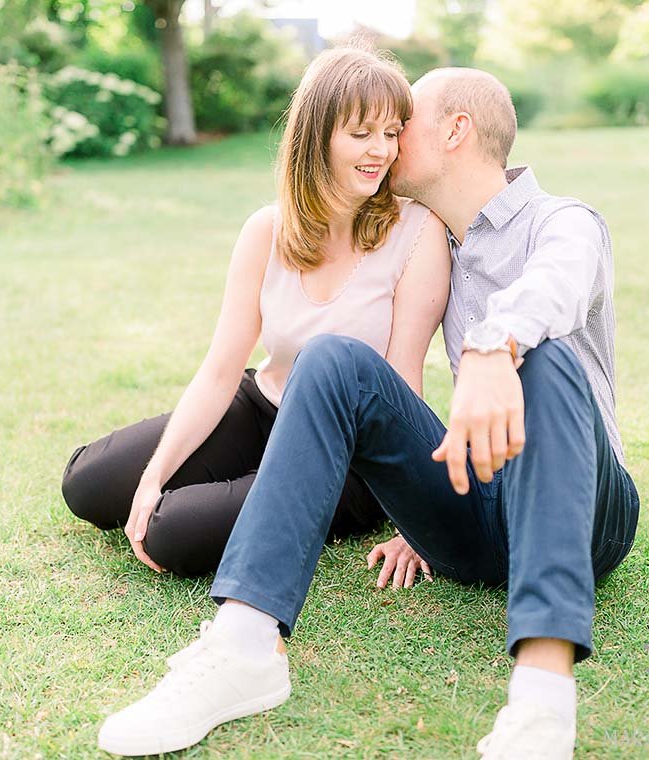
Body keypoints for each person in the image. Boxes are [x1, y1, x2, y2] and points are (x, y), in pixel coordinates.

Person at [95, 66, 640, 760]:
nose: (388, 141)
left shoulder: (564, 222)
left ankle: (540, 704)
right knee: (332, 357)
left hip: (586, 506)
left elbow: (554, 288)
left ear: (455, 131)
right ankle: (244, 646)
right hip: (477, 515)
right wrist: (415, 514)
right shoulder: (439, 241)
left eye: (403, 123)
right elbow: (392, 389)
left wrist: (494, 345)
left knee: (544, 355)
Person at [60, 47, 450, 579]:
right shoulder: (267, 229)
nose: (380, 150)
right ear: (318, 136)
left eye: (391, 132)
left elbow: (405, 386)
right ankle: (230, 477)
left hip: (348, 451)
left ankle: (281, 495)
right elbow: (221, 370)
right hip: (264, 404)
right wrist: (153, 476)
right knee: (88, 483)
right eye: (361, 133)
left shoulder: (417, 230)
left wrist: (415, 523)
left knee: (169, 532)